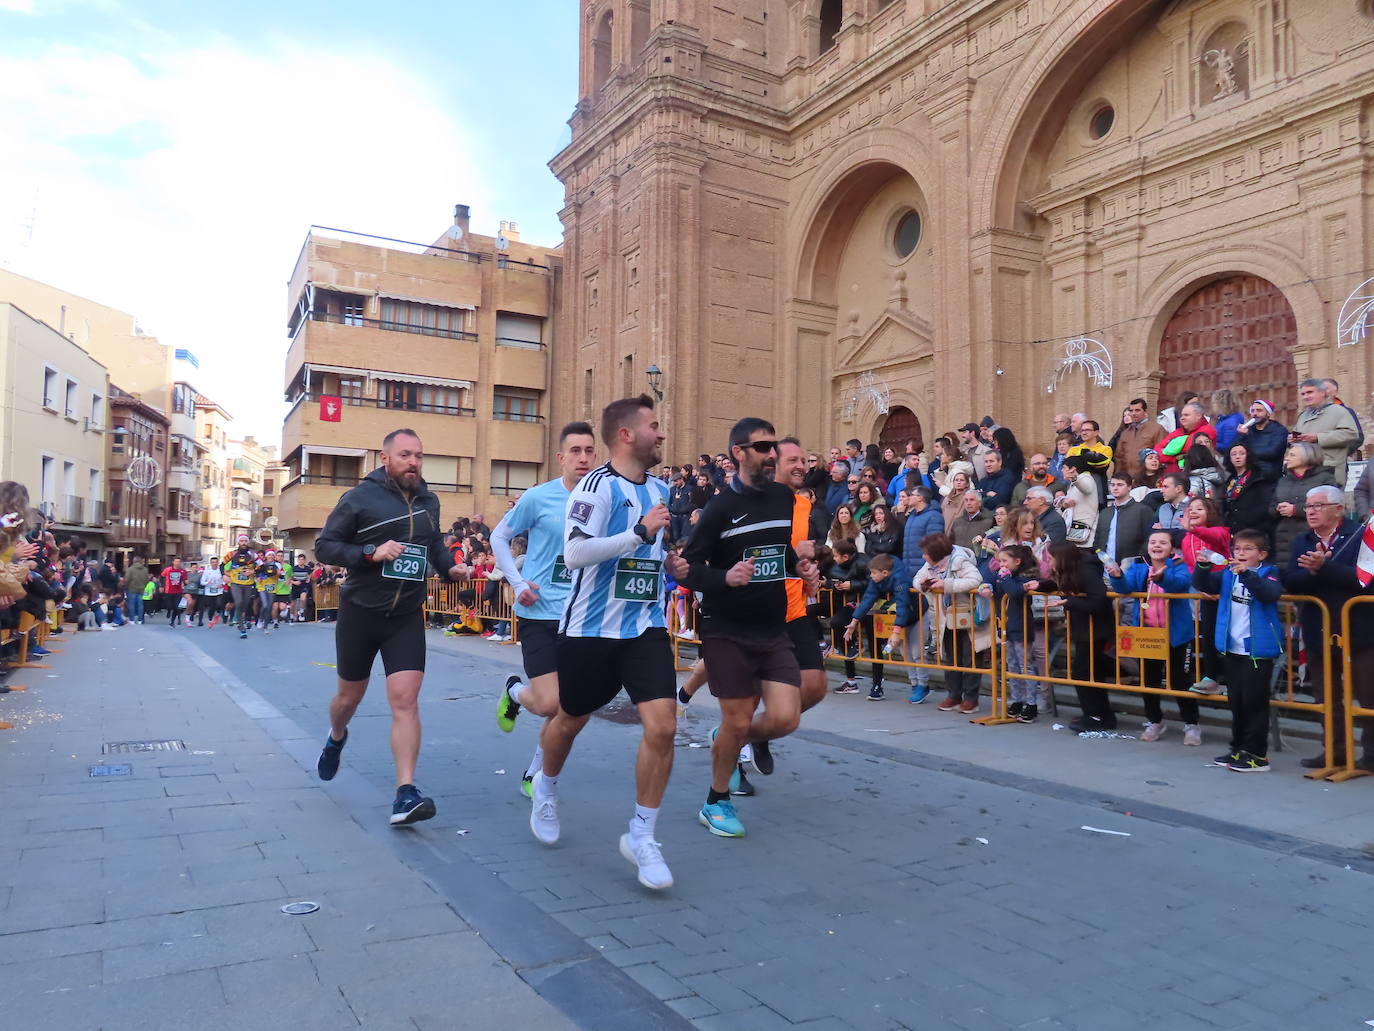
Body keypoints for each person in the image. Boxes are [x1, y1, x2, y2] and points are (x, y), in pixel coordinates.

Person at [529, 396, 678, 890]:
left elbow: (656, 555)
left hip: (645, 627)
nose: (662, 434)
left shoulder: (661, 488)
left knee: (663, 726)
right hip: (590, 629)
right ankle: (545, 788)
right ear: (627, 435)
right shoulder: (597, 488)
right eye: (654, 426)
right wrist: (637, 533)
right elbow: (574, 553)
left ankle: (641, 834)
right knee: (569, 719)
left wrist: (674, 567)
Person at [314, 428, 472, 827]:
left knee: (405, 700)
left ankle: (406, 792)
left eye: (419, 455)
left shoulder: (428, 499)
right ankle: (336, 735)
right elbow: (325, 547)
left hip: (405, 616)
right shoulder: (358, 498)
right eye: (405, 455)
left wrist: (450, 569)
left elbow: (433, 546)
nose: (414, 463)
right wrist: (371, 551)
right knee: (348, 700)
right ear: (385, 458)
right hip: (361, 614)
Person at [670, 418, 820, 837]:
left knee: (786, 718)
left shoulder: (782, 498)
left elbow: (777, 555)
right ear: (738, 452)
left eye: (774, 447)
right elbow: (690, 571)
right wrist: (725, 578)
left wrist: (801, 567)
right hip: (726, 628)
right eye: (762, 447)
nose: (771, 454)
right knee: (738, 716)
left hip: (772, 627)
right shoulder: (719, 508)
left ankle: (730, 738)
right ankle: (715, 802)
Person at [491, 421, 598, 799]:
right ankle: (515, 691)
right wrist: (517, 583)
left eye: (589, 451)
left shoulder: (605, 498)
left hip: (585, 617)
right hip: (541, 614)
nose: (583, 458)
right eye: (575, 451)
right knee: (551, 702)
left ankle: (534, 773)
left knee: (571, 710)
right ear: (561, 458)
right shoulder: (538, 497)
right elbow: (499, 537)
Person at [1282, 484, 1374, 772]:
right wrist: (1312, 571)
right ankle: (1334, 751)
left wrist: (1325, 568)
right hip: (1319, 628)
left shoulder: (1361, 536)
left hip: (1359, 628)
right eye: (1308, 506)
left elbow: (1366, 579)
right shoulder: (1303, 539)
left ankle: (1371, 754)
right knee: (1327, 696)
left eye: (1318, 505)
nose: (1311, 511)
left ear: (1337, 508)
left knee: (1368, 695)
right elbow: (1292, 580)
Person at [1194, 529, 1285, 772]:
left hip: (1257, 650)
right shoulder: (1227, 574)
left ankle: (1257, 755)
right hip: (1231, 646)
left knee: (1254, 702)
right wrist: (1202, 567)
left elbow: (1269, 594)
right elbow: (1203, 584)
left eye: (1247, 549)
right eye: (1237, 549)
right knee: (1237, 702)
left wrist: (1247, 575)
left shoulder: (1270, 573)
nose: (1240, 553)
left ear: (1262, 554)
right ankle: (1238, 749)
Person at [1110, 529, 1200, 745]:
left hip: (1176, 634)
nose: (1157, 546)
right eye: (1153, 542)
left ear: (1171, 548)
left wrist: (1163, 577)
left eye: (1162, 542)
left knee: (1181, 680)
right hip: (1147, 633)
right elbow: (1126, 589)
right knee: (1148, 680)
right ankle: (1154, 721)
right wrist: (1117, 576)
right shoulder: (1139, 565)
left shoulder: (1178, 565)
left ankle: (1191, 724)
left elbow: (1180, 584)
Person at [1045, 542, 1115, 732]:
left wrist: (1070, 602)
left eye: (1051, 559)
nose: (1049, 563)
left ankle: (1096, 714)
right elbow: (1059, 585)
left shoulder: (1086, 570)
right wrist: (1040, 584)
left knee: (1084, 672)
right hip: (1084, 628)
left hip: (1095, 629)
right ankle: (1098, 714)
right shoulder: (1071, 570)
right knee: (1089, 672)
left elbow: (1097, 600)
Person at [914, 533, 987, 714]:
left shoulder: (960, 561)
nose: (924, 556)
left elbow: (975, 580)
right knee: (951, 658)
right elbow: (916, 579)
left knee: (971, 658)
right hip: (946, 618)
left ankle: (971, 699)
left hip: (968, 616)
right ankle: (953, 695)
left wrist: (946, 584)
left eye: (926, 553)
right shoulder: (930, 565)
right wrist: (923, 584)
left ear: (937, 553)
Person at [842, 552, 910, 701]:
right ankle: (877, 685)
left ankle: (920, 685)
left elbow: (903, 604)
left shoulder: (900, 578)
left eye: (873, 573)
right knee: (883, 647)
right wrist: (853, 622)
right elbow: (867, 599)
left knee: (911, 652)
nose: (870, 576)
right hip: (886, 614)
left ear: (884, 573)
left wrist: (896, 631)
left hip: (911, 611)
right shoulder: (876, 578)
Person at [992, 543, 1043, 722]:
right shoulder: (1005, 578)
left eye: (1005, 561)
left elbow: (1014, 592)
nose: (1001, 565)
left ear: (1017, 561)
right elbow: (999, 594)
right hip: (1007, 625)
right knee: (1011, 665)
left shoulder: (1023, 579)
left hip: (1021, 626)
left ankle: (1031, 703)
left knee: (1025, 666)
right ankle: (1017, 699)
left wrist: (1005, 579)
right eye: (1000, 561)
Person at [1271, 442, 1339, 567]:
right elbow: (1271, 506)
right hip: (1284, 539)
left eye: (1292, 455)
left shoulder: (1325, 478)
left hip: (1313, 535)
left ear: (1307, 456)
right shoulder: (1283, 481)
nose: (1287, 458)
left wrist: (1295, 509)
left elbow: (1331, 506)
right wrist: (1278, 508)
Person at [1292, 378, 1360, 485]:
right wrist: (1293, 439)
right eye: (1303, 394)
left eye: (1310, 392)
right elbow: (1298, 438)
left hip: (1329, 471)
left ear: (1322, 393)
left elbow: (1351, 434)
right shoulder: (1303, 416)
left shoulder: (1339, 411)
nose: (1306, 396)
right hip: (1305, 472)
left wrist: (1319, 438)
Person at [1095, 472, 1154, 569]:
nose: (1115, 488)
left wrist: (1138, 560)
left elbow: (1149, 538)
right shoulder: (1105, 512)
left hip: (1132, 569)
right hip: (1105, 568)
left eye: (1120, 485)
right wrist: (1099, 554)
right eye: (1112, 485)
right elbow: (1098, 539)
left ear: (1129, 487)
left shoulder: (1143, 510)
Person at [1222, 441, 1276, 543]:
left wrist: (1248, 522)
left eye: (1242, 453)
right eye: (1234, 454)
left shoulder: (1259, 477)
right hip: (1232, 531)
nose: (1238, 457)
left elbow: (1265, 505)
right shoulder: (1230, 480)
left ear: (1248, 455)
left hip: (1254, 531)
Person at [1233, 399, 1288, 481]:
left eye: (1259, 411)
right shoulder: (1248, 430)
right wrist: (1242, 435)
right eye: (1252, 411)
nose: (1255, 414)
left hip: (1269, 478)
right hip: (1248, 477)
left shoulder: (1279, 430)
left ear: (1268, 414)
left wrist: (1246, 453)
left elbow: (1272, 452)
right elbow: (1235, 449)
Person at [1113, 399, 1166, 480]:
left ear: (1145, 412)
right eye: (1131, 411)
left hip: (1149, 478)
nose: (1133, 413)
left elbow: (1162, 454)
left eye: (1137, 410)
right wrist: (1118, 478)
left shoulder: (1157, 429)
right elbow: (1119, 458)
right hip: (1129, 479)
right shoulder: (1125, 433)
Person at [1057, 454, 1100, 551]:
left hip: (1085, 539)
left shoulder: (1086, 478)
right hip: (1074, 535)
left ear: (1073, 469)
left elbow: (1087, 489)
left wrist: (1074, 478)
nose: (1062, 470)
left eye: (1064, 468)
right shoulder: (1074, 483)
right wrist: (1063, 505)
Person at [1159, 402, 1216, 474]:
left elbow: (1189, 449)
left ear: (1198, 416)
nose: (1182, 418)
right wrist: (1175, 458)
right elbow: (1157, 451)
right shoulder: (1177, 432)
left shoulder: (1207, 430)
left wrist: (1168, 452)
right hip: (1172, 476)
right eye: (1181, 415)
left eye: (1186, 415)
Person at [223, 535, 259, 639]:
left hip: (248, 584)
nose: (243, 543)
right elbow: (222, 565)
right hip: (235, 583)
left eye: (245, 541)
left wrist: (252, 571)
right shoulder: (232, 554)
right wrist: (224, 575)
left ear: (248, 543)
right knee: (238, 602)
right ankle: (242, 627)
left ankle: (240, 619)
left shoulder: (253, 554)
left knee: (245, 604)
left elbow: (262, 567)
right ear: (238, 543)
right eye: (241, 541)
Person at [159, 558, 188, 627]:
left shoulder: (183, 571)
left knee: (176, 607)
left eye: (179, 562)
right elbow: (162, 577)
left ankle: (172, 621)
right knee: (169, 606)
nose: (178, 563)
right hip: (168, 591)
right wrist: (162, 586)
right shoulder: (168, 570)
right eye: (176, 561)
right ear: (173, 562)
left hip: (178, 591)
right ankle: (169, 610)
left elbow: (185, 581)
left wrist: (186, 583)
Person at [125, 559, 150, 624]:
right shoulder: (145, 569)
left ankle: (132, 619)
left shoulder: (130, 569)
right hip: (141, 589)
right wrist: (144, 586)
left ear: (133, 561)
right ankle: (140, 620)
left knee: (131, 604)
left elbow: (127, 579)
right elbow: (147, 579)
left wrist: (127, 586)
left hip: (132, 588)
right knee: (140, 605)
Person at [200, 561, 224, 627]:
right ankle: (210, 620)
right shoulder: (207, 571)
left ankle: (217, 614)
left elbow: (225, 579)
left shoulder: (220, 571)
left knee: (220, 604)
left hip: (219, 591)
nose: (214, 563)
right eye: (213, 562)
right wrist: (208, 582)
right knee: (211, 607)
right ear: (210, 563)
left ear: (217, 563)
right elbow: (202, 582)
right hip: (209, 592)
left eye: (216, 562)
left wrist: (222, 584)